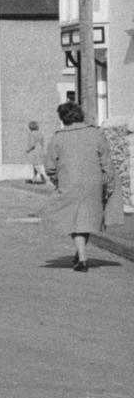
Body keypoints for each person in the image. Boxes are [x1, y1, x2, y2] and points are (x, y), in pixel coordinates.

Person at [43, 101, 123, 271]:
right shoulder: (95, 134)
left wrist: (57, 181)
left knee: (74, 219)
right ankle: (80, 253)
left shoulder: (58, 137)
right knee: (85, 218)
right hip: (93, 183)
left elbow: (50, 166)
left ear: (63, 118)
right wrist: (108, 183)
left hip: (69, 182)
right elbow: (107, 162)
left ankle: (83, 259)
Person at [24, 119, 47, 184]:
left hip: (35, 151)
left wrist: (28, 150)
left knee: (36, 165)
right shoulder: (41, 133)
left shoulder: (31, 134)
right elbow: (43, 144)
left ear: (30, 127)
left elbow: (33, 144)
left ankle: (43, 178)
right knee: (35, 165)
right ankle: (33, 179)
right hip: (40, 151)